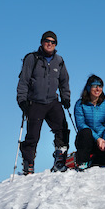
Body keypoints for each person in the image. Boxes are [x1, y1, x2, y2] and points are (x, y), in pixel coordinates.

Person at [16, 31, 71, 175]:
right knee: (33, 135)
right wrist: (22, 100)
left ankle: (60, 160)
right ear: (41, 42)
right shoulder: (32, 58)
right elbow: (23, 81)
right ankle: (28, 163)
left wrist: (65, 97)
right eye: (47, 41)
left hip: (53, 102)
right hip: (35, 102)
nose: (50, 44)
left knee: (62, 130)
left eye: (53, 42)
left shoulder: (59, 61)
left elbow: (64, 81)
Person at [73, 74, 105, 170]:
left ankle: (94, 159)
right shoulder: (80, 104)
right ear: (88, 88)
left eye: (100, 86)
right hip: (86, 140)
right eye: (94, 86)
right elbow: (81, 125)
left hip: (101, 142)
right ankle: (82, 161)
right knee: (85, 132)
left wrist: (104, 140)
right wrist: (97, 138)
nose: (98, 89)